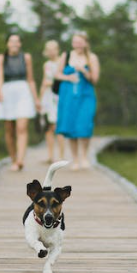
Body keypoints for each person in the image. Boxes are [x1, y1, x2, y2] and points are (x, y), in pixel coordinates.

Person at [0, 33, 40, 171]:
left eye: (17, 41)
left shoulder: (26, 57)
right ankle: (13, 158)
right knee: (9, 129)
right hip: (7, 91)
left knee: (22, 127)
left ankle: (20, 159)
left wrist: (36, 98)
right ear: (7, 43)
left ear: (20, 44)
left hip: (23, 91)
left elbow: (31, 79)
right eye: (11, 41)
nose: (14, 44)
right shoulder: (1, 58)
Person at [55, 32, 100, 170]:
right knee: (71, 126)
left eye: (80, 42)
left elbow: (95, 79)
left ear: (85, 43)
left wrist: (84, 71)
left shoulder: (91, 57)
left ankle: (84, 156)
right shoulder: (66, 55)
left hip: (86, 95)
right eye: (75, 42)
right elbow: (57, 74)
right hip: (68, 96)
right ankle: (75, 159)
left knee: (84, 124)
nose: (77, 45)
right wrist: (68, 78)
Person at [38, 40, 65, 163]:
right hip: (47, 97)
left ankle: (61, 155)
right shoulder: (46, 64)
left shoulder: (62, 62)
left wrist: (52, 82)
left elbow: (63, 80)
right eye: (48, 49)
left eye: (53, 49)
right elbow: (44, 82)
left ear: (57, 49)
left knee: (58, 126)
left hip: (58, 96)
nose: (51, 52)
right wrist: (39, 99)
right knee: (48, 127)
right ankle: (50, 156)